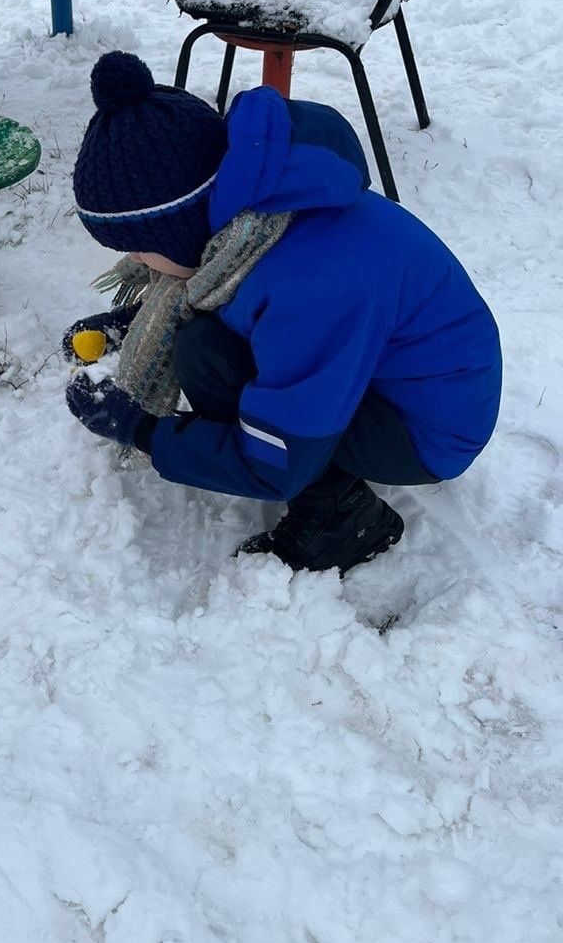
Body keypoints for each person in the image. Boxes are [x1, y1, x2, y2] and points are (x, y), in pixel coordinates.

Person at [64, 53, 501, 576]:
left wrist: (142, 431)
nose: (137, 261)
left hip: (424, 429)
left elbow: (275, 465)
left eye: (141, 248)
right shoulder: (261, 224)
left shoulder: (313, 287)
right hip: (389, 374)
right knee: (203, 343)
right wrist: (141, 325)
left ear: (180, 230)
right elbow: (236, 305)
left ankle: (341, 519)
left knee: (205, 357)